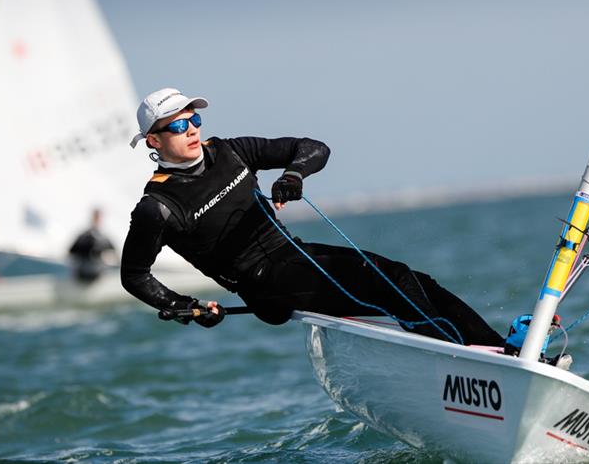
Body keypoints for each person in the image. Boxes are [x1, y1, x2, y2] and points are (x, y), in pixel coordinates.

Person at [121, 87, 505, 346]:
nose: (191, 130)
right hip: (264, 284)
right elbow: (134, 275)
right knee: (389, 282)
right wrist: (185, 304)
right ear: (153, 141)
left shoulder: (231, 151)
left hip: (296, 255)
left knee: (414, 280)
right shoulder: (158, 206)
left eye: (195, 120)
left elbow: (312, 147)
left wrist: (294, 174)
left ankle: (499, 351)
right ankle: (456, 356)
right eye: (177, 125)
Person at [69, 208, 115, 283]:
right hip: (83, 274)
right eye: (96, 217)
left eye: (98, 217)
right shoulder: (83, 237)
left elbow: (114, 255)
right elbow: (71, 252)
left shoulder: (104, 239)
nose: (97, 220)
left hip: (97, 275)